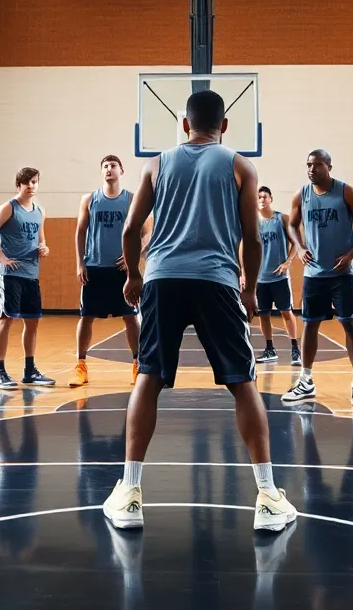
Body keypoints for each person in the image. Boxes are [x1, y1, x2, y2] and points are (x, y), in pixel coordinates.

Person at [103, 89, 297, 532]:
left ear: (185, 124)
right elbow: (252, 235)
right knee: (243, 383)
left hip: (163, 279)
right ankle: (267, 496)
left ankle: (130, 494)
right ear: (224, 125)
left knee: (148, 377)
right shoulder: (239, 164)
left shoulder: (157, 163)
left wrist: (133, 275)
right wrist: (248, 294)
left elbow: (132, 228)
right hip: (217, 280)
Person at [280, 150, 353, 408]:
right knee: (310, 325)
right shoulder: (302, 194)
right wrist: (299, 247)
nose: (311, 169)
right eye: (308, 164)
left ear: (329, 166)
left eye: (317, 165)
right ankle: (306, 380)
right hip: (314, 275)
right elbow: (291, 224)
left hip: (342, 274)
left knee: (349, 324)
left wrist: (351, 254)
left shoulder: (345, 192)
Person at [71, 155, 144, 388]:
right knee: (86, 317)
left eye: (113, 166)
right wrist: (80, 263)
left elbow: (147, 231)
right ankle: (81, 365)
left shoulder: (131, 199)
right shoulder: (90, 199)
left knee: (131, 318)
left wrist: (136, 254)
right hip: (94, 267)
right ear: (101, 172)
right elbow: (80, 231)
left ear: (121, 171)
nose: (109, 169)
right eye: (105, 166)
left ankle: (138, 364)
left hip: (121, 270)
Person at [0, 167, 54, 389]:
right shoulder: (9, 207)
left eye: (34, 182)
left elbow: (41, 239)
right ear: (18, 185)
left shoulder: (40, 211)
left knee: (32, 322)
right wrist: (1, 256)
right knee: (6, 319)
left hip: (31, 273)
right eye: (26, 183)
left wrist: (44, 248)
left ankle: (29, 370)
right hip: (10, 273)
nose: (31, 186)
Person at [249, 187, 300, 365]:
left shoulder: (282, 218)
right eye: (259, 197)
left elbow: (296, 243)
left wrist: (288, 262)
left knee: (286, 312)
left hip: (279, 277)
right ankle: (269, 349)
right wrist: (243, 272)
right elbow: (244, 247)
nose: (262, 199)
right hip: (260, 278)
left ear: (271, 199)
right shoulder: (252, 221)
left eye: (265, 196)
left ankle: (295, 349)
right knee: (263, 314)